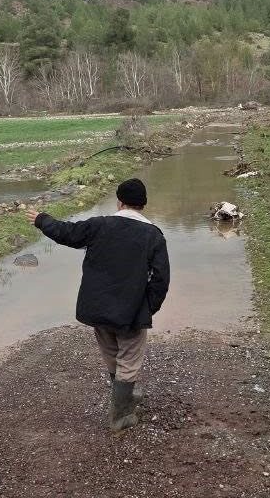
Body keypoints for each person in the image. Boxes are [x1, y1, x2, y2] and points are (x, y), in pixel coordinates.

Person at [26, 178, 170, 431]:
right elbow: (161, 279)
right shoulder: (153, 235)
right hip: (131, 312)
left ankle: (125, 398)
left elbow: (65, 232)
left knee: (112, 355)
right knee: (129, 358)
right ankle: (121, 415)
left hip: (97, 308)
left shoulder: (99, 225)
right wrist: (148, 308)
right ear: (143, 205)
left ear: (119, 202)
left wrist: (41, 219)